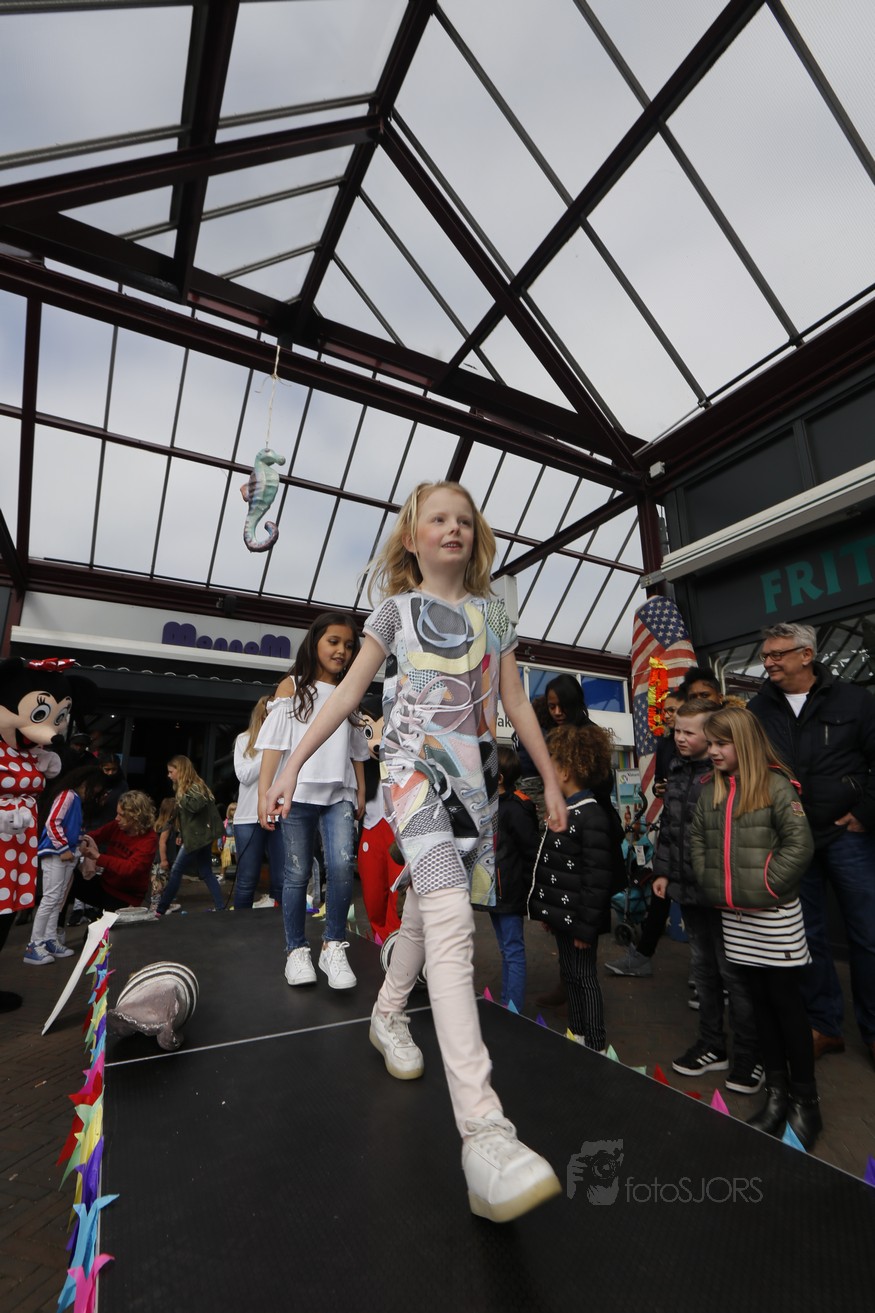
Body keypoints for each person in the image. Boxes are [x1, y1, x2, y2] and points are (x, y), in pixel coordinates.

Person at [262, 481, 568, 1223]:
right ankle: (484, 1133)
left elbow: (515, 703)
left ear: (476, 536)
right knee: (454, 921)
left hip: (474, 786)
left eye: (464, 519)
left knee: (432, 914)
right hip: (410, 777)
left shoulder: (495, 616)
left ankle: (388, 1012)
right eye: (438, 518)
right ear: (412, 536)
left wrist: (552, 781)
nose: (452, 528)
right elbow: (345, 697)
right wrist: (291, 764)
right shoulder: (393, 613)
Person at [747, 622, 875, 1070]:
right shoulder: (758, 708)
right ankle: (825, 1026)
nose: (768, 662)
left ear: (806, 655)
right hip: (790, 838)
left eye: (777, 654)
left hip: (847, 835)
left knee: (868, 934)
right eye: (765, 655)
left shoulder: (854, 701)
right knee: (808, 936)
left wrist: (866, 812)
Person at [690, 707, 819, 1147]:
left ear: (742, 743)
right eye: (710, 743)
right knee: (758, 1005)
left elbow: (800, 845)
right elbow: (698, 839)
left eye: (720, 743)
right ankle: (777, 1096)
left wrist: (765, 886)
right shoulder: (711, 789)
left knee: (786, 1006)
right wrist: (713, 883)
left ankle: (806, 1103)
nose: (712, 751)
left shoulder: (776, 786)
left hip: (774, 917)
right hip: (735, 917)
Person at [643, 700, 762, 1093]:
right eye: (676, 730)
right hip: (688, 891)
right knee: (704, 971)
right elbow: (670, 827)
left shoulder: (725, 775)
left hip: (722, 894)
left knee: (734, 976)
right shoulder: (677, 770)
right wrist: (662, 872)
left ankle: (750, 1056)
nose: (679, 738)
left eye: (688, 732)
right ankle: (713, 1044)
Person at [257, 613, 368, 986]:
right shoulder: (291, 686)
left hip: (339, 794)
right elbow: (274, 745)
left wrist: (361, 790)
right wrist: (264, 794)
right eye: (333, 642)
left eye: (349, 645)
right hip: (297, 795)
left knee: (341, 867)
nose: (342, 651)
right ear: (315, 642)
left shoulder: (349, 690)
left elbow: (356, 749)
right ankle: (296, 950)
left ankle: (333, 945)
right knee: (296, 873)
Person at [529, 723, 615, 1052]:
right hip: (565, 918)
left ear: (565, 772)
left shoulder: (591, 816)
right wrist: (550, 914)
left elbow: (596, 878)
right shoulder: (567, 810)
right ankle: (577, 1033)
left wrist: (586, 927)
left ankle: (596, 1043)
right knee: (570, 973)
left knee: (584, 978)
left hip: (580, 920)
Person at [24, 764, 105, 964]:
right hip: (57, 853)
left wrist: (77, 844)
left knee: (57, 899)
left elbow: (62, 825)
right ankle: (35, 943)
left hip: (65, 853)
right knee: (51, 898)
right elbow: (52, 822)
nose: (95, 792)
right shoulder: (68, 796)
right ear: (87, 783)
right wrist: (63, 848)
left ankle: (49, 939)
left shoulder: (73, 798)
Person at [490, 744, 539, 1012]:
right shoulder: (492, 804)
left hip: (509, 890)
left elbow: (530, 851)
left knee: (513, 951)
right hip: (495, 891)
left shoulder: (517, 808)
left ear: (499, 778)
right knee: (506, 950)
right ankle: (506, 1005)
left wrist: (530, 889)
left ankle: (513, 1010)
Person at [231, 696, 285, 910]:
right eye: (269, 717)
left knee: (281, 880)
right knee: (247, 880)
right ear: (261, 717)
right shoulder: (244, 740)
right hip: (248, 817)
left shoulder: (287, 741)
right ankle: (239, 926)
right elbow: (243, 776)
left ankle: (280, 925)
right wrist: (269, 753)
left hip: (278, 815)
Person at [155, 758, 224, 915]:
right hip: (200, 835)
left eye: (171, 772)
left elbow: (194, 807)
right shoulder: (195, 786)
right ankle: (220, 907)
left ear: (180, 771)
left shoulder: (192, 788)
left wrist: (181, 797)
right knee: (206, 871)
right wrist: (181, 832)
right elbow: (191, 817)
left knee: (177, 870)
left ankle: (161, 909)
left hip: (197, 837)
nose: (169, 775)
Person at [72, 790, 158, 910]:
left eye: (122, 815)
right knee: (67, 879)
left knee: (101, 923)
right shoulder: (118, 826)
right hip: (105, 885)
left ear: (135, 817)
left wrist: (98, 857)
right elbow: (95, 835)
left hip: (125, 896)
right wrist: (85, 841)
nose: (117, 818)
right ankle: (58, 921)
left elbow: (130, 868)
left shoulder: (149, 839)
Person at [150, 797, 178, 914]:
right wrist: (164, 860)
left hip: (160, 859)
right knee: (159, 884)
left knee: (165, 882)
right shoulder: (167, 825)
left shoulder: (161, 824)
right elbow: (162, 843)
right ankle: (155, 906)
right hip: (160, 860)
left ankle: (166, 903)